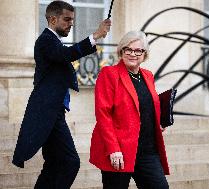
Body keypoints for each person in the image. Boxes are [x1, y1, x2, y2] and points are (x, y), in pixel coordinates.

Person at [12, 1, 111, 188]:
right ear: (52, 19)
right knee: (70, 162)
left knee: (54, 164)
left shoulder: (53, 41)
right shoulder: (46, 41)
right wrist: (95, 35)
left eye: (72, 20)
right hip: (47, 112)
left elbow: (64, 56)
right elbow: (65, 55)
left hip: (53, 111)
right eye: (66, 19)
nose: (70, 23)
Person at [89, 31, 170, 189]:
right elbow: (103, 115)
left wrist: (158, 121)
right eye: (128, 49)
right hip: (120, 151)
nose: (133, 54)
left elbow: (146, 106)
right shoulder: (109, 74)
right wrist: (113, 149)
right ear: (121, 51)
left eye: (138, 50)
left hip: (147, 150)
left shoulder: (148, 76)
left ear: (144, 53)